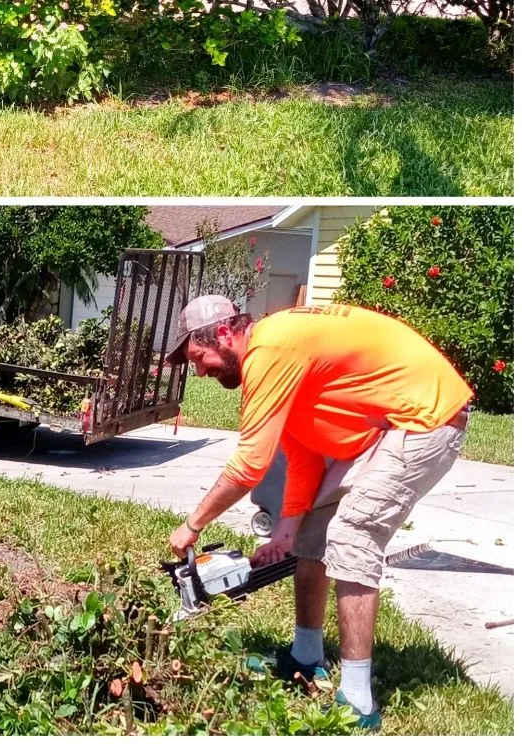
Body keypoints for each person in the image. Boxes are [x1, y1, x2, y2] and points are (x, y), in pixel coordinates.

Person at [165, 295, 472, 730]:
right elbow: (304, 454)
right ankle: (307, 656)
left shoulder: (269, 351)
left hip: (425, 420)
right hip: (388, 427)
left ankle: (358, 702)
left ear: (223, 334)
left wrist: (193, 524)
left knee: (351, 533)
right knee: (312, 535)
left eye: (200, 357)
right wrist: (287, 531)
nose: (200, 370)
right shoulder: (277, 358)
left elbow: (249, 465)